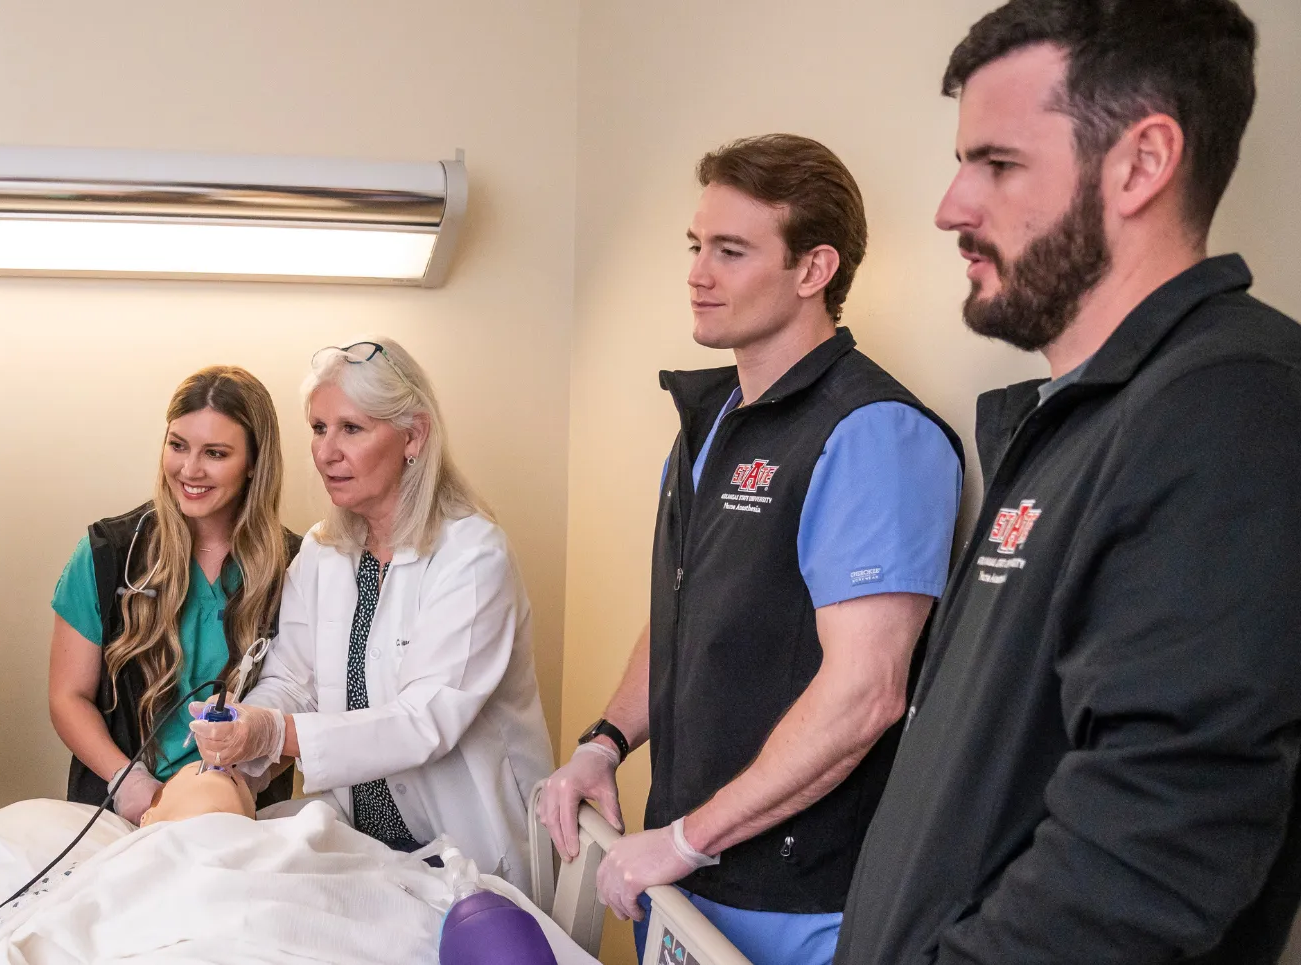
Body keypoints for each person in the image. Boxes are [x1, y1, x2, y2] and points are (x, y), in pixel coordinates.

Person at [838, 3, 1301, 963]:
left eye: (998, 164)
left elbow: (1152, 844)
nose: (951, 207)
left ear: (1141, 161)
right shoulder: (1076, 415)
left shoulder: (1231, 404)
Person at [537, 135, 963, 964]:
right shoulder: (715, 424)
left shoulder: (872, 434)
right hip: (689, 875)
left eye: (731, 251)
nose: (698, 272)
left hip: (797, 899)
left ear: (814, 270)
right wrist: (605, 741)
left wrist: (688, 838)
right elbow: (686, 614)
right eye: (697, 247)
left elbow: (866, 692)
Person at [189, 336, 553, 887]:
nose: (326, 451)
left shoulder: (473, 555)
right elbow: (293, 679)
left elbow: (424, 720)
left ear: (414, 436)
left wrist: (276, 736)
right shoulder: (323, 552)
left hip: (466, 851)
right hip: (366, 845)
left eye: (351, 429)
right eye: (318, 428)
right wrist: (244, 737)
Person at [47, 366, 301, 825]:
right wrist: (127, 780)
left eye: (216, 453)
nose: (190, 470)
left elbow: (300, 704)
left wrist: (231, 788)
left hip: (239, 813)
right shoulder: (109, 554)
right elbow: (68, 696)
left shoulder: (297, 569)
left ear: (253, 464)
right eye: (178, 445)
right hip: (120, 811)